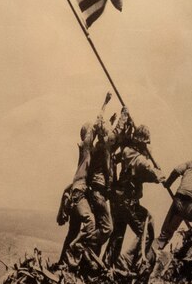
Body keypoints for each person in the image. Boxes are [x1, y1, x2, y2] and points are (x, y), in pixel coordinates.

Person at [57, 97, 115, 274]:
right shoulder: (86, 147)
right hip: (80, 193)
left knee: (73, 230)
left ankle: (62, 263)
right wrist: (104, 105)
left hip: (79, 191)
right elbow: (97, 126)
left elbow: (100, 133)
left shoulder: (86, 151)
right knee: (91, 224)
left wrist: (109, 122)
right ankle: (75, 251)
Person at [104, 121, 161, 273]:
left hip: (118, 199)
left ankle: (107, 265)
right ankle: (131, 262)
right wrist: (160, 173)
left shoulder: (127, 151)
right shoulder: (141, 162)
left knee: (118, 234)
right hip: (128, 202)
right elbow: (155, 176)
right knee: (147, 231)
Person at [156, 155, 192, 264]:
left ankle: (156, 251)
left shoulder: (190, 164)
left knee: (165, 234)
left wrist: (168, 183)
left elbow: (176, 171)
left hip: (177, 202)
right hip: (189, 208)